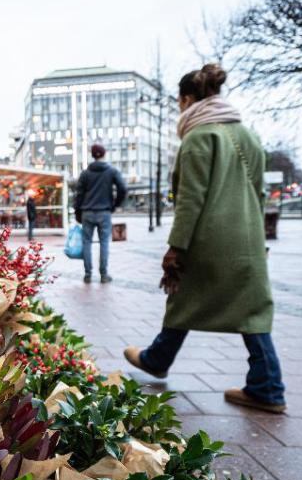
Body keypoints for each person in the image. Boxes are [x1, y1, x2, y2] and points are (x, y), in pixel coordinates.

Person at [123, 63, 287, 414]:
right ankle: (267, 386)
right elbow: (258, 192)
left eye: (180, 103)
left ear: (187, 99)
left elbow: (190, 199)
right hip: (247, 238)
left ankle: (157, 358)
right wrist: (259, 240)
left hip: (209, 240)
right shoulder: (248, 135)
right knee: (252, 310)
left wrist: (175, 247)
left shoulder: (198, 137)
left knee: (183, 296)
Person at [73, 143, 126, 283]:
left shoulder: (85, 173)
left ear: (92, 155)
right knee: (104, 243)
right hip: (104, 211)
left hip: (87, 212)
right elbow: (123, 188)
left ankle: (88, 274)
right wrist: (115, 205)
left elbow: (78, 195)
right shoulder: (111, 171)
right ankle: (103, 275)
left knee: (87, 242)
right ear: (104, 154)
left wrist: (77, 212)